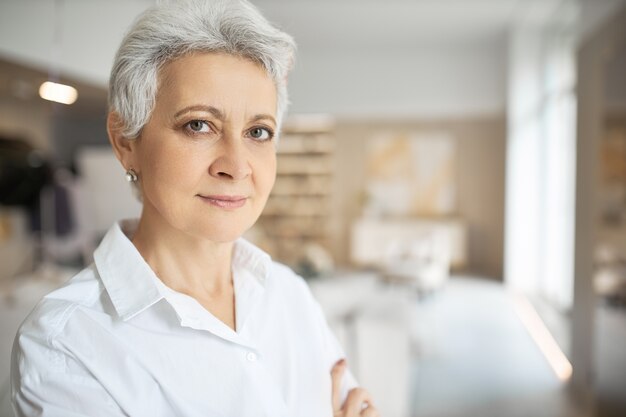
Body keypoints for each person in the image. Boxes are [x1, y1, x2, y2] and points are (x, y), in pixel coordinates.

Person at [10, 1, 379, 416]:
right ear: (125, 141)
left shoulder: (289, 294)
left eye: (258, 131)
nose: (237, 166)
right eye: (199, 125)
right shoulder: (65, 342)